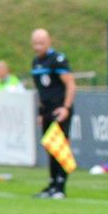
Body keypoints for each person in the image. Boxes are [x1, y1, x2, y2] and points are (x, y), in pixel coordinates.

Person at [30, 28, 76, 199]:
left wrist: (66, 108)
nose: (37, 47)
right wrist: (41, 112)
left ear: (48, 42)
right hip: (47, 111)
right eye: (35, 43)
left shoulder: (58, 60)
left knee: (60, 147)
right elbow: (41, 90)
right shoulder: (35, 63)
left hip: (60, 110)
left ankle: (60, 187)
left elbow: (71, 85)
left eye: (41, 43)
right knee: (51, 147)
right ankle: (52, 184)